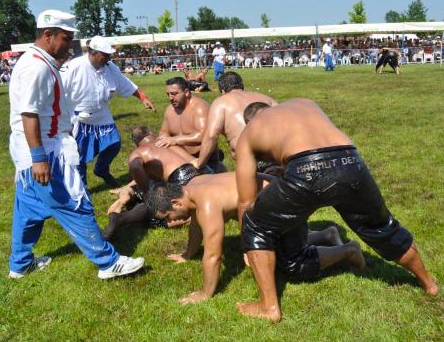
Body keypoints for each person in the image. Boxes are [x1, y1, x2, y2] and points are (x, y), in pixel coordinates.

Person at [235, 99, 438, 322]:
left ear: (249, 121)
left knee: (255, 223)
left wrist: (248, 244)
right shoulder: (303, 104)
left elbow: (246, 201)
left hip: (306, 169)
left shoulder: (248, 133)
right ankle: (429, 283)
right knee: (382, 227)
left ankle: (268, 307)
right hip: (350, 159)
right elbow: (317, 146)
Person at [8, 9, 144, 280]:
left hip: (36, 147)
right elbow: (29, 114)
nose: (71, 44)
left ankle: (20, 263)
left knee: (28, 210)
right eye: (66, 38)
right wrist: (39, 157)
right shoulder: (36, 67)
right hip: (45, 149)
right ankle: (107, 261)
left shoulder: (40, 61)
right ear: (48, 35)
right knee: (74, 203)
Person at [149, 172, 365, 304]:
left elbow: (214, 255)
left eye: (168, 216)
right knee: (287, 242)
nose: (171, 222)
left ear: (176, 203)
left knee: (292, 266)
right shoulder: (194, 185)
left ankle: (349, 250)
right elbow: (196, 227)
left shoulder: (206, 204)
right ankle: (327, 235)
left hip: (285, 200)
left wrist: (205, 293)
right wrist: (188, 253)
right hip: (277, 196)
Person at [62, 35, 156, 187]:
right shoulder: (74, 67)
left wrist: (143, 97)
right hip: (79, 117)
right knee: (79, 154)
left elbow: (125, 84)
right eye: (105, 55)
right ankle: (81, 187)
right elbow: (57, 91)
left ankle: (101, 169)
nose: (108, 58)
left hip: (102, 114)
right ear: (93, 53)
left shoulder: (110, 68)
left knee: (114, 143)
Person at [102, 125, 211, 239]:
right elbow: (193, 161)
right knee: (197, 203)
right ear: (151, 134)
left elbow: (135, 166)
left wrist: (147, 193)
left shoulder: (139, 152)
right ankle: (199, 215)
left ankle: (121, 219)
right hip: (198, 171)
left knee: (156, 214)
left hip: (179, 177)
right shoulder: (167, 142)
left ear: (136, 143)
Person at [197, 72, 277, 169]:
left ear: (222, 91)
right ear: (242, 86)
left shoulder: (220, 103)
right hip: (280, 157)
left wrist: (199, 165)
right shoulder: (267, 99)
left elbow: (211, 137)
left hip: (251, 163)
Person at [157, 77, 226, 173]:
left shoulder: (200, 108)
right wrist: (164, 139)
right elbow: (163, 132)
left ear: (186, 92)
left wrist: (174, 140)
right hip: (181, 160)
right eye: (168, 94)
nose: (170, 98)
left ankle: (218, 170)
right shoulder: (169, 110)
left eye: (174, 94)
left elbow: (204, 136)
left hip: (205, 162)